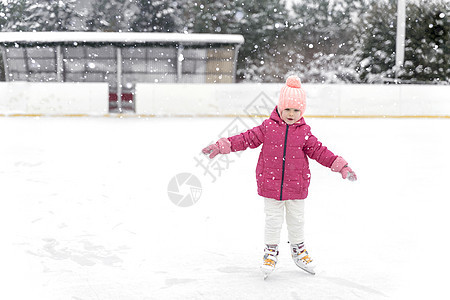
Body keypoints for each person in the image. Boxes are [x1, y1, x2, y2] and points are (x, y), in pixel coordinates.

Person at [202, 75, 357, 278]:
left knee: (297, 220)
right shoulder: (267, 128)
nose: (291, 114)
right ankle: (271, 251)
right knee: (273, 221)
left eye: (296, 110)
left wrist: (341, 166)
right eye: (288, 109)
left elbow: (320, 152)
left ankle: (298, 251)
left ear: (302, 111)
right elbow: (245, 139)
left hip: (296, 186)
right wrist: (223, 146)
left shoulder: (304, 133)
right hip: (271, 185)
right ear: (280, 108)